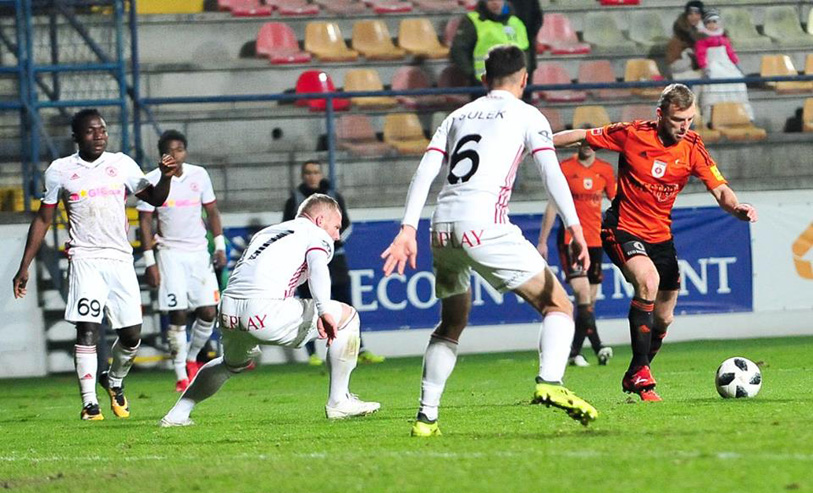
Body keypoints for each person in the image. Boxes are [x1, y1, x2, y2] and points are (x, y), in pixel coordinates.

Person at [381, 45, 598, 437]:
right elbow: (550, 173)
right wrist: (575, 226)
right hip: (484, 224)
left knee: (452, 321)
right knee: (558, 305)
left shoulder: (457, 116)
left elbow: (425, 171)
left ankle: (426, 419)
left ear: (484, 79)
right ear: (525, 79)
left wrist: (407, 229)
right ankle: (550, 381)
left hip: (442, 226)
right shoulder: (528, 115)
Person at [553, 83, 758, 402]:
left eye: (689, 119)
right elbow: (582, 136)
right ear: (660, 114)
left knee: (664, 317)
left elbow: (719, 188)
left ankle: (637, 371)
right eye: (678, 120)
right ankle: (642, 375)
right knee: (648, 280)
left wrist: (735, 208)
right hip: (622, 229)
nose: (684, 126)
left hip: (661, 236)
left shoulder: (692, 146)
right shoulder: (632, 134)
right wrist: (536, 143)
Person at [12, 108, 177, 420]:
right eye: (90, 131)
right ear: (76, 136)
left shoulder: (122, 164)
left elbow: (155, 199)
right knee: (87, 328)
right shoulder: (60, 170)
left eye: (102, 129)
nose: (99, 135)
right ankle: (89, 403)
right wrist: (25, 266)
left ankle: (113, 380)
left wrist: (166, 177)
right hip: (85, 258)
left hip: (120, 259)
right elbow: (44, 219)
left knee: (132, 335)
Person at [161, 194, 380, 426]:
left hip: (228, 310)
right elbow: (317, 267)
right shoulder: (316, 234)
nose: (337, 235)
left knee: (229, 364)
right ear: (320, 220)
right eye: (336, 227)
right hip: (263, 310)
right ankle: (339, 401)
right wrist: (323, 309)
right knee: (348, 317)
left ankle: (177, 414)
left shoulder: (267, 232)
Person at [137, 130, 226, 393]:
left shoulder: (199, 175)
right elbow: (145, 222)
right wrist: (149, 261)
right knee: (178, 313)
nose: (175, 155)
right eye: (169, 151)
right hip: (170, 254)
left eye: (179, 149)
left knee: (208, 312)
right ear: (161, 155)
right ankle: (179, 374)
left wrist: (219, 245)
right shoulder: (151, 180)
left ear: (185, 151)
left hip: (199, 253)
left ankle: (192, 358)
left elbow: (212, 211)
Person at [283, 160, 385, 366]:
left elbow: (346, 225)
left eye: (315, 172)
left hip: (335, 259)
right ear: (302, 176)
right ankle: (312, 352)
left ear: (321, 174)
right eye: (308, 172)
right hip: (307, 262)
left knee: (346, 304)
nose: (312, 176)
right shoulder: (294, 200)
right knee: (308, 306)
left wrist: (330, 243)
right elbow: (288, 228)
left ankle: (358, 348)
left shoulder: (333, 197)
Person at [537, 139, 616, 367]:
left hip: (596, 240)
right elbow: (553, 204)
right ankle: (598, 346)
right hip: (571, 240)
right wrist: (542, 241)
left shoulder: (605, 170)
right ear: (578, 145)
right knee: (582, 295)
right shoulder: (566, 168)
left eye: (592, 143)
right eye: (583, 142)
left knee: (590, 300)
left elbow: (616, 203)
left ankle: (574, 352)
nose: (587, 146)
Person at [450, 0, 530, 87]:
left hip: (513, 83)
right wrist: (471, 74)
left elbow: (525, 51)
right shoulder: (473, 21)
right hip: (483, 84)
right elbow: (459, 50)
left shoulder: (516, 23)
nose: (495, 2)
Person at [695, 9, 754, 121]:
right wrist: (705, 67)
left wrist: (737, 65)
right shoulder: (702, 40)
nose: (712, 25)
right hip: (713, 65)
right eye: (709, 22)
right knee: (715, 82)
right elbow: (701, 55)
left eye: (714, 21)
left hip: (727, 64)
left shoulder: (724, 39)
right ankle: (712, 116)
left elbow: (730, 53)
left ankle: (742, 113)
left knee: (737, 79)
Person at [665, 1, 706, 78]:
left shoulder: (709, 31)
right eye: (690, 14)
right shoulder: (678, 38)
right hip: (685, 73)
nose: (694, 17)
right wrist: (693, 60)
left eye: (697, 14)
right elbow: (672, 66)